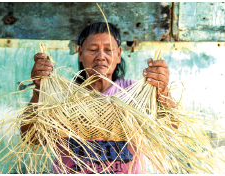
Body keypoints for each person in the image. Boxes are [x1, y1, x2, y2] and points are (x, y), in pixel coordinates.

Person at [21, 22, 175, 174]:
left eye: (108, 50)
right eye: (93, 49)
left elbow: (172, 130)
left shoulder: (135, 93)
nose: (101, 56)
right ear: (80, 53)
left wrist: (163, 92)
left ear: (119, 54)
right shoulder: (61, 94)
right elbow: (31, 139)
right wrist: (39, 89)